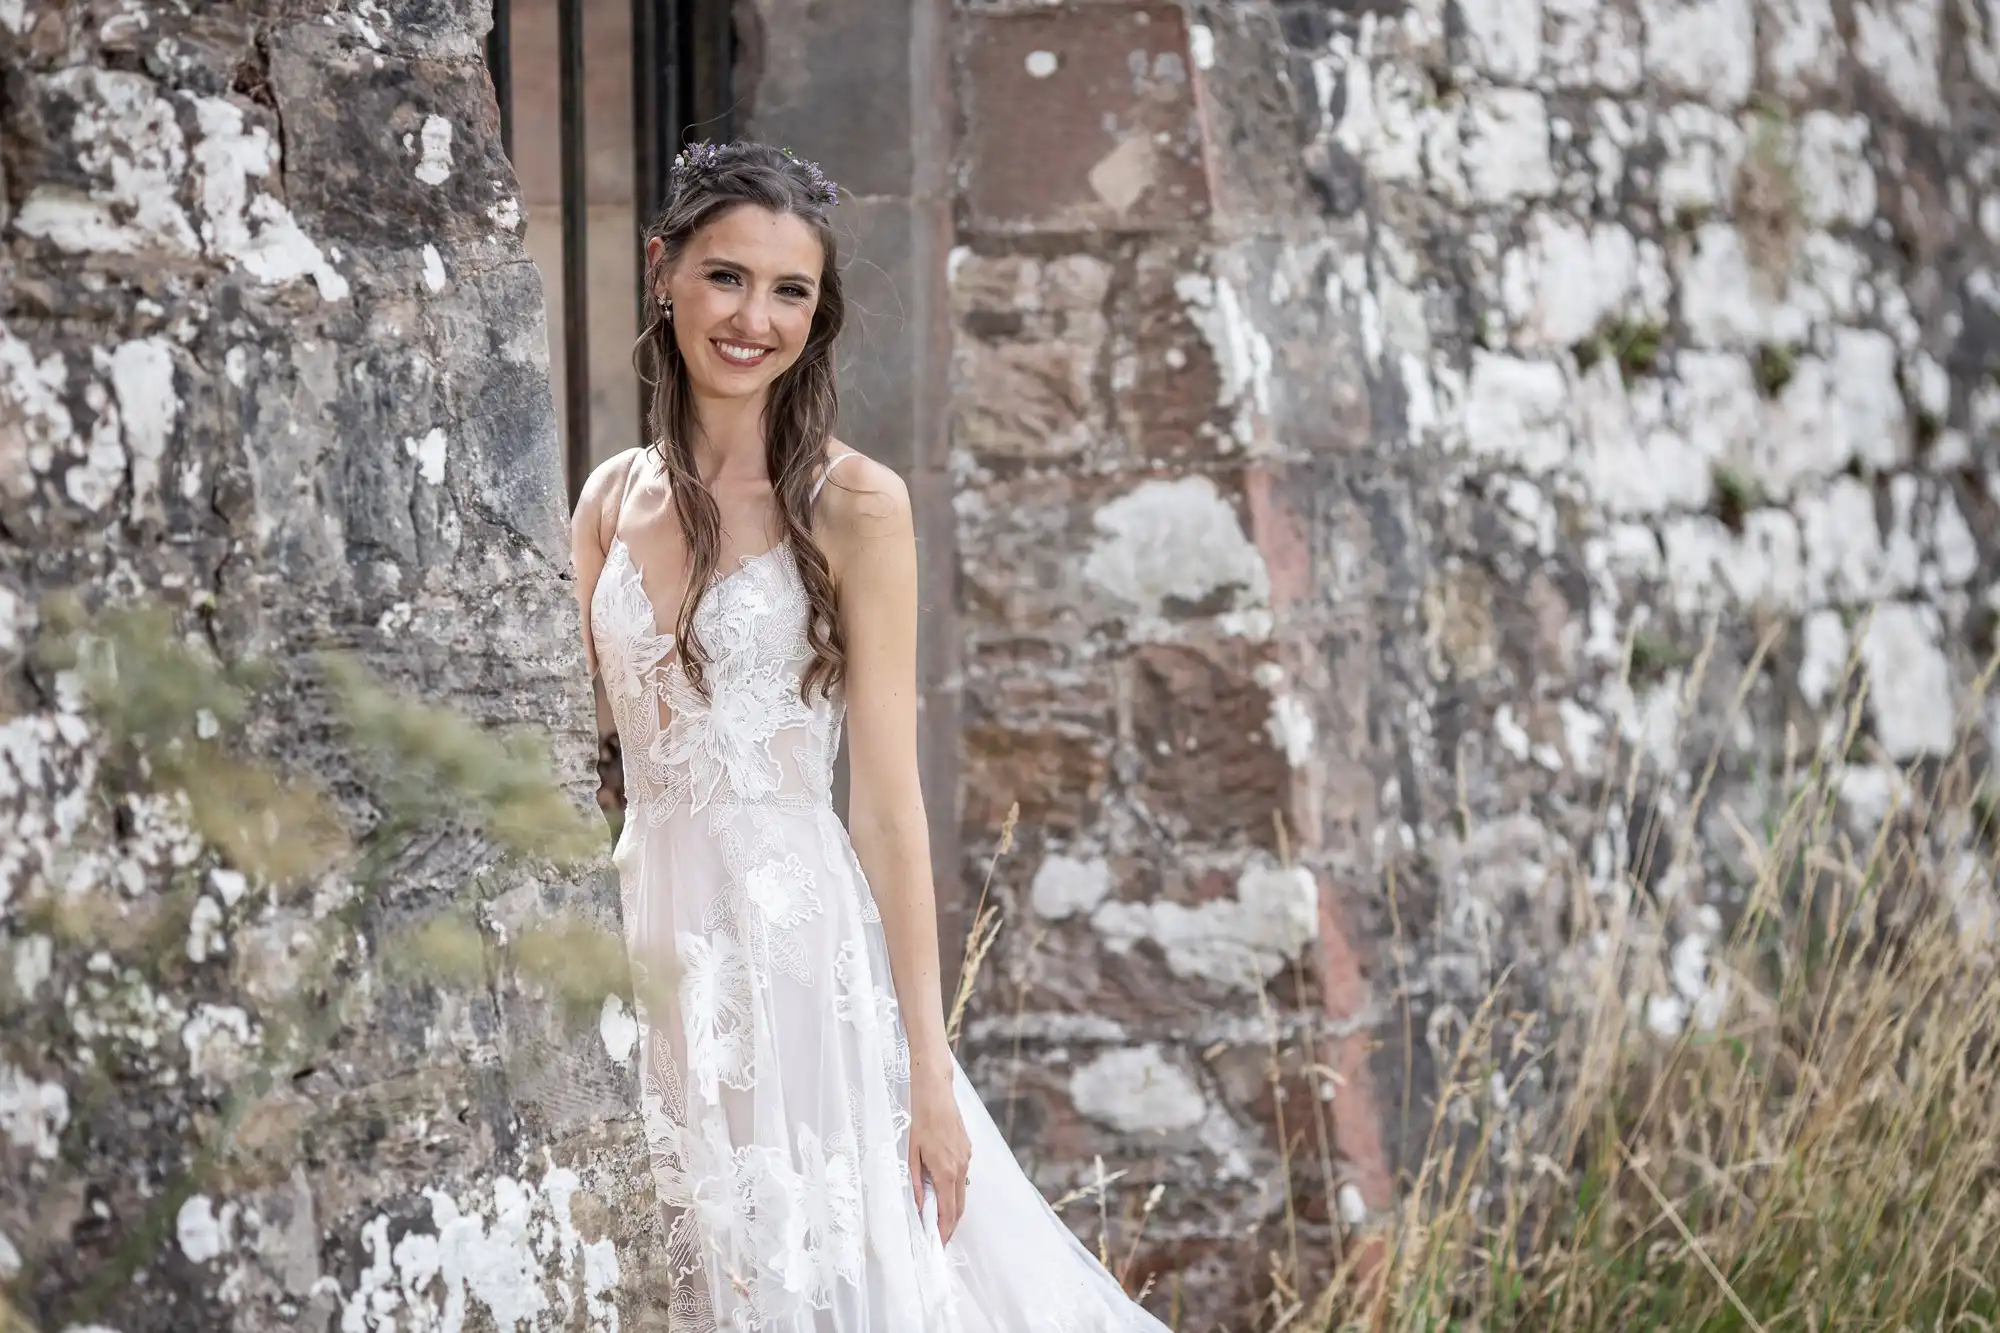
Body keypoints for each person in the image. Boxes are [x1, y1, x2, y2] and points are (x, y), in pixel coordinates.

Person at [570, 140, 1171, 1331]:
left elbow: (887, 805)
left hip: (798, 965)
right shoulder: (604, 497)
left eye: (789, 290)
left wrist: (929, 1075)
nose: (754, 318)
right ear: (661, 274)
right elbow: (578, 762)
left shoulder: (856, 504)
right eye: (726, 276)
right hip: (643, 950)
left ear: (817, 311)